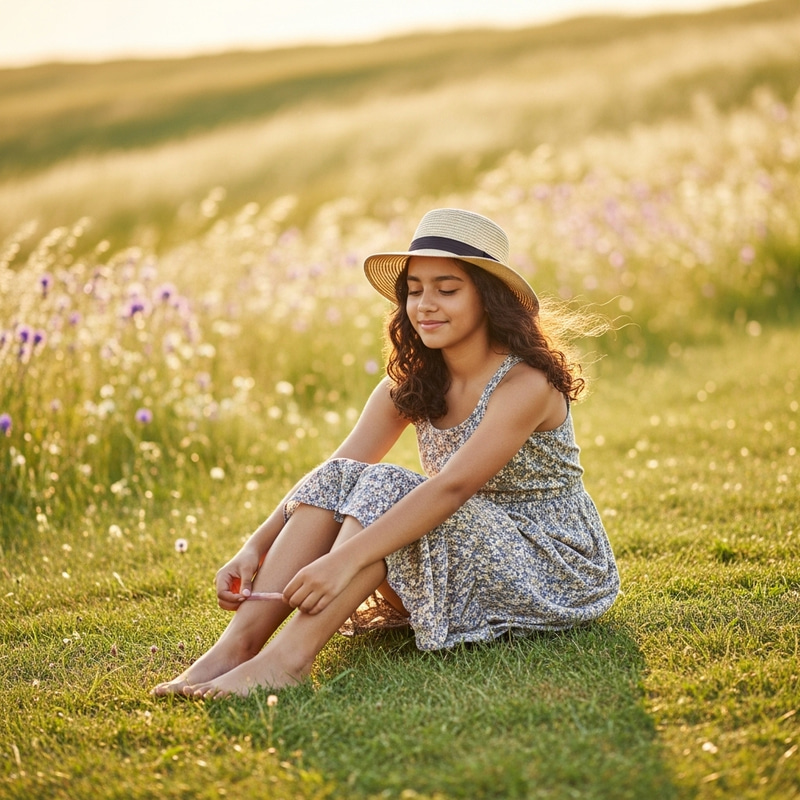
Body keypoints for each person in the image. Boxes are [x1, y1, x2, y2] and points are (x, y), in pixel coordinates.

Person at [152, 207, 620, 699]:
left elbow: (452, 487)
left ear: (488, 298)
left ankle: (287, 661)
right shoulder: (410, 383)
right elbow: (335, 472)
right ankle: (235, 647)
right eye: (414, 290)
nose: (425, 305)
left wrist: (342, 561)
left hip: (552, 564)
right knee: (351, 474)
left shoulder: (526, 383)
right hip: (460, 538)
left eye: (447, 288)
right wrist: (256, 544)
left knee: (385, 485)